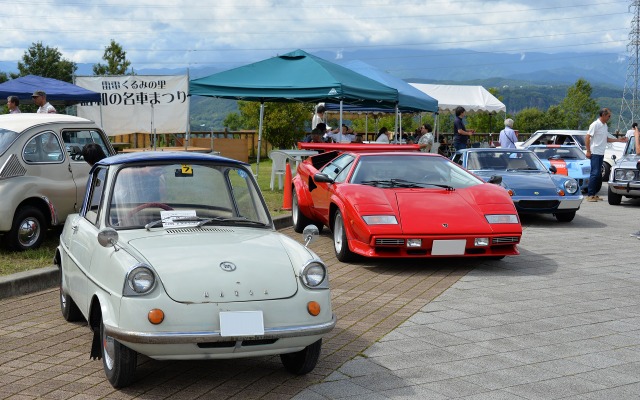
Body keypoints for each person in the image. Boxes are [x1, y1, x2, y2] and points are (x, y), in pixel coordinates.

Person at [585, 108, 626, 202]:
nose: (609, 118)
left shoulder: (604, 125)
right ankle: (590, 195)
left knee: (598, 174)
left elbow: (606, 139)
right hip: (595, 152)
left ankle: (594, 194)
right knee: (594, 173)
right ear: (603, 115)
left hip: (601, 152)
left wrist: (619, 140)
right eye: (608, 116)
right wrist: (588, 150)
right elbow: (587, 137)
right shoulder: (595, 124)